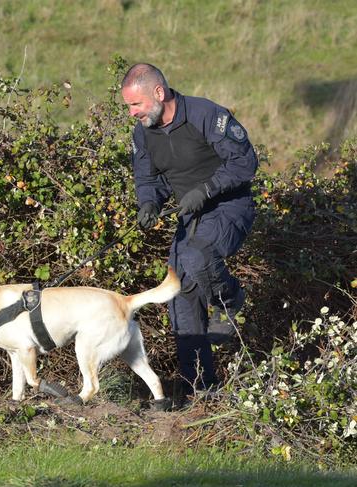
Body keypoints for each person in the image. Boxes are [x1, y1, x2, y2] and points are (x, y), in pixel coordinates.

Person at [121, 63, 258, 403]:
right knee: (179, 290)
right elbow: (147, 179)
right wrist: (148, 204)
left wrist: (207, 189)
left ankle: (230, 302)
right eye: (128, 106)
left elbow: (245, 162)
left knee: (198, 256)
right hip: (191, 218)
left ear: (158, 93)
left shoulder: (206, 115)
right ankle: (200, 390)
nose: (132, 113)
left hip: (229, 209)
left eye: (135, 105)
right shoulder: (143, 133)